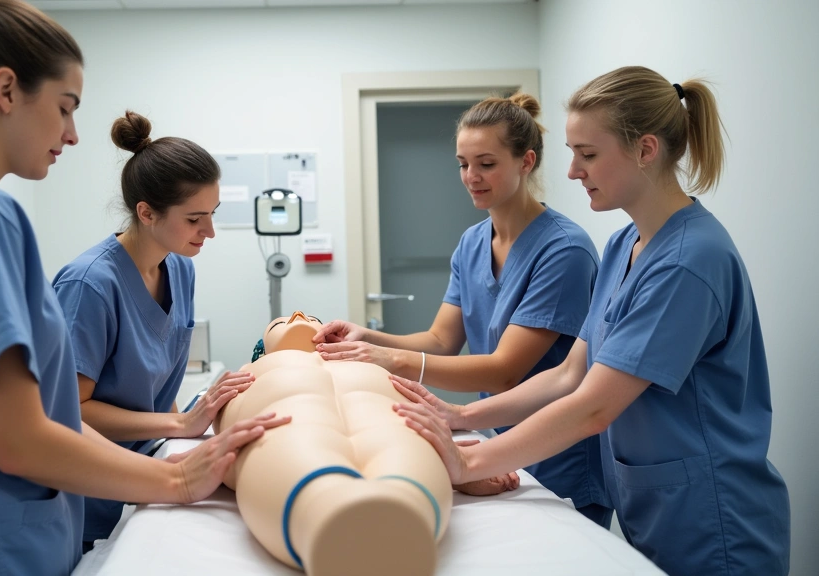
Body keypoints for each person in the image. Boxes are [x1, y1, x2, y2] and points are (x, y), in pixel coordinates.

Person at [0, 2, 287, 574]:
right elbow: (21, 440)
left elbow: (32, 414)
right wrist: (178, 477)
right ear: (6, 90)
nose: (74, 135)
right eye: (65, 108)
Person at [394, 66, 791, 575]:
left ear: (645, 150)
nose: (572, 171)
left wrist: (468, 461)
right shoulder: (625, 243)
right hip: (654, 509)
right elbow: (568, 374)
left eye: (588, 154)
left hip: (714, 522)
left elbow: (593, 407)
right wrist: (461, 418)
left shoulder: (689, 261)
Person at [312, 94, 610, 526]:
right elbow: (440, 341)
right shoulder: (473, 242)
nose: (472, 176)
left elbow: (504, 370)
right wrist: (368, 337)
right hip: (495, 440)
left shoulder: (563, 250)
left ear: (526, 162)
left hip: (555, 451)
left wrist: (390, 361)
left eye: (486, 163)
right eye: (463, 164)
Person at [52, 111, 255, 547]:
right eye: (195, 218)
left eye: (213, 213)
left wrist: (183, 424)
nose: (211, 231)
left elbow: (157, 381)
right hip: (92, 491)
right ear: (146, 212)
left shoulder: (178, 268)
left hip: (149, 471)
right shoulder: (89, 285)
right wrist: (179, 424)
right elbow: (68, 412)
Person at [214, 311, 519, 576]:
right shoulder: (249, 371)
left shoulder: (368, 359)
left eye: (314, 318)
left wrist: (452, 463)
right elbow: (225, 425)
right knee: (310, 480)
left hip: (392, 424)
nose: (299, 316)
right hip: (291, 426)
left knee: (406, 463)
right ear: (259, 351)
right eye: (281, 321)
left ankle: (402, 511)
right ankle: (328, 518)